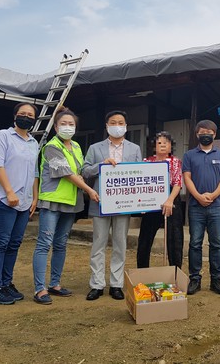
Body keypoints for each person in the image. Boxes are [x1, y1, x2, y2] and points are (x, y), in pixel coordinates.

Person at [32, 107, 100, 305]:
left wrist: (104, 164)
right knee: (44, 244)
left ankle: (55, 284)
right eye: (64, 124)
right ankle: (39, 289)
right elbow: (67, 173)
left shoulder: (77, 147)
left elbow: (82, 171)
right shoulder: (51, 146)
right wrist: (88, 189)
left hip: (71, 203)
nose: (68, 127)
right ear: (55, 127)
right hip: (52, 201)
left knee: (61, 244)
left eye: (71, 124)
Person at [81, 110, 142, 301]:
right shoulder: (95, 148)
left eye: (121, 122)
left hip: (124, 204)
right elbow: (85, 170)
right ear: (107, 126)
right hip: (100, 202)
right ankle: (97, 284)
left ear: (126, 126)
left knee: (119, 244)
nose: (117, 125)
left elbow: (140, 173)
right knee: (98, 243)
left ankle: (116, 285)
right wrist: (101, 164)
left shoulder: (134, 149)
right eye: (113, 122)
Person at [0, 102, 39, 305]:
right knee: (1, 242)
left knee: (14, 243)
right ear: (15, 116)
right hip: (5, 199)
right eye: (22, 113)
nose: (26, 117)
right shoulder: (3, 136)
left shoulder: (34, 143)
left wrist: (34, 198)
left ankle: (7, 283)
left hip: (25, 202)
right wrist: (9, 192)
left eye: (30, 115)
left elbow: (34, 172)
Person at [182, 119, 220, 295]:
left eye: (208, 132)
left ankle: (216, 279)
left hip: (217, 206)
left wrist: (213, 195)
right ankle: (195, 279)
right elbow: (187, 178)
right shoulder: (189, 155)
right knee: (195, 243)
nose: (205, 135)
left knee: (216, 244)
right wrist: (198, 196)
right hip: (196, 206)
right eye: (202, 132)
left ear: (214, 134)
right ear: (197, 135)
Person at [136, 131, 184, 269]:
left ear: (171, 146)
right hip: (150, 200)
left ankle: (175, 273)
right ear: (154, 146)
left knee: (174, 239)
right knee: (145, 239)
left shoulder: (175, 162)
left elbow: (177, 183)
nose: (163, 145)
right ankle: (142, 271)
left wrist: (169, 200)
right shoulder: (146, 161)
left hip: (171, 199)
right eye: (159, 142)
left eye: (166, 142)